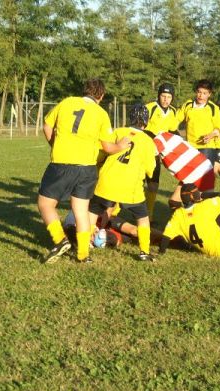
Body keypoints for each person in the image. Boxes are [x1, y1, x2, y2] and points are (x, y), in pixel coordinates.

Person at [38, 78, 130, 263]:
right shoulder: (101, 113)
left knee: (45, 204)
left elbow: (47, 126)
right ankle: (83, 255)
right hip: (87, 168)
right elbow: (108, 147)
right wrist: (120, 145)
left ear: (84, 91)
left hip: (62, 163)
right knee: (81, 211)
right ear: (101, 95)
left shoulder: (66, 102)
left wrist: (54, 145)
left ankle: (60, 240)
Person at [88, 104, 157, 261]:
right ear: (146, 122)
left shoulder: (118, 131)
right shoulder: (147, 141)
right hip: (130, 187)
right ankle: (144, 251)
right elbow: (150, 169)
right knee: (143, 217)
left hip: (107, 181)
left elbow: (103, 151)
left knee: (93, 211)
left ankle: (87, 244)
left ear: (129, 119)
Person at [144, 83, 180, 220]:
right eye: (163, 96)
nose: (165, 99)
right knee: (133, 182)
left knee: (153, 185)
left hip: (156, 154)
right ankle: (116, 211)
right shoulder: (150, 108)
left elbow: (172, 131)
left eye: (169, 97)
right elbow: (140, 127)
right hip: (144, 151)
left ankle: (149, 214)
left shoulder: (172, 112)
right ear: (158, 96)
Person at [176, 79, 220, 164]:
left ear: (209, 94)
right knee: (190, 176)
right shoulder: (188, 105)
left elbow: (218, 129)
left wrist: (211, 135)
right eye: (199, 92)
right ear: (196, 92)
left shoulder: (213, 108)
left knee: (205, 176)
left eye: (204, 93)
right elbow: (175, 119)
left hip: (207, 148)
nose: (201, 95)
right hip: (190, 147)